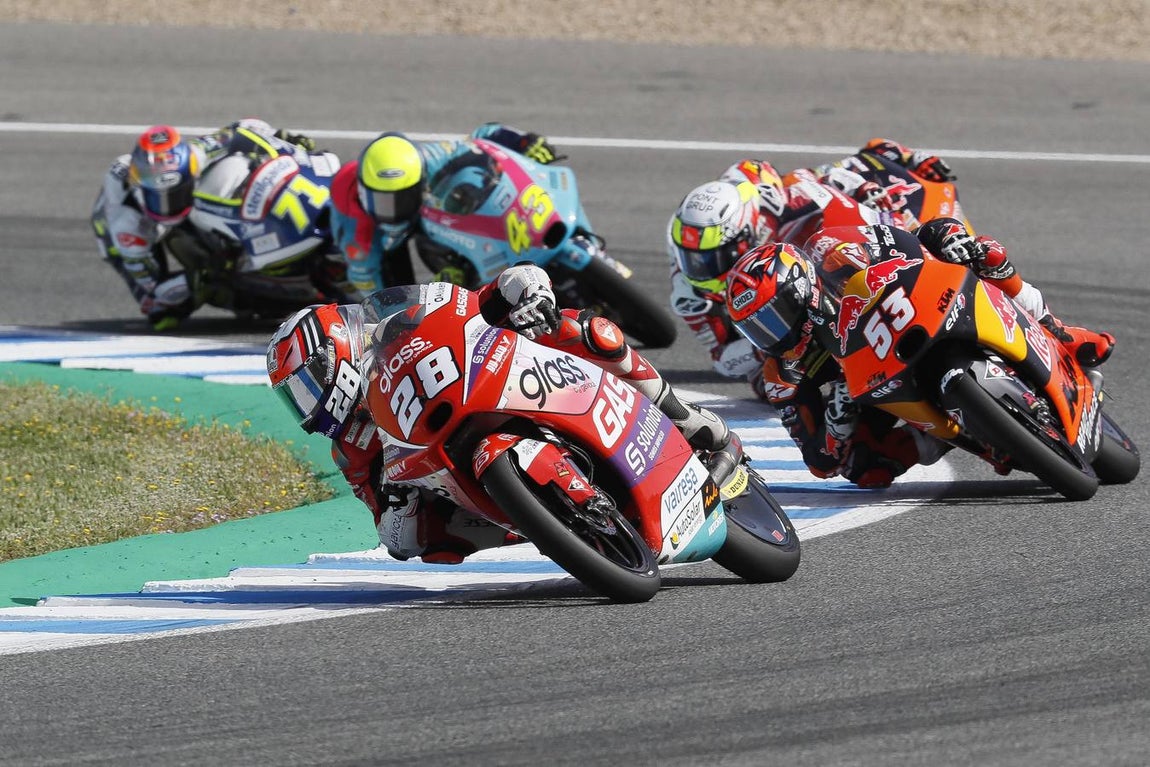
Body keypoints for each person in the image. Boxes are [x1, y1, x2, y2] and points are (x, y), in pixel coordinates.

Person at [266, 264, 731, 564]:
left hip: (502, 377)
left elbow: (483, 294)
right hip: (468, 484)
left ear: (338, 351)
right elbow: (392, 538)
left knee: (584, 330)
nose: (309, 405)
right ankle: (547, 522)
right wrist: (396, 502)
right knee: (426, 543)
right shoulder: (351, 447)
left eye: (308, 385)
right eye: (297, 398)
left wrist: (525, 292)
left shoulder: (400, 324)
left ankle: (681, 414)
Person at [720, 219, 1115, 488]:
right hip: (874, 388)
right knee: (863, 469)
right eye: (755, 328)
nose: (771, 336)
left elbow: (901, 239)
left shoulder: (832, 254)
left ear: (801, 289)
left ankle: (1060, 331)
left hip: (914, 309)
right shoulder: (781, 375)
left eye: (773, 318)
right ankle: (961, 437)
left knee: (958, 241)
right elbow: (819, 462)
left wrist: (946, 247)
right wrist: (838, 423)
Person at [666, 138, 956, 391]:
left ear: (748, 233)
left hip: (817, 257)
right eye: (691, 256)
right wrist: (768, 344)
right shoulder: (688, 284)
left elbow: (840, 188)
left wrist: (874, 201)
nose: (700, 268)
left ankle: (901, 164)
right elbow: (723, 360)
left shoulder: (792, 198)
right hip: (772, 325)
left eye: (713, 257)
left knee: (867, 185)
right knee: (766, 384)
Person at [91, 119, 318, 330]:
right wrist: (201, 277)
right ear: (141, 188)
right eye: (158, 196)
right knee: (162, 312)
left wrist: (280, 138)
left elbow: (244, 129)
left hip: (183, 205)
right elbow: (153, 291)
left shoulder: (196, 153)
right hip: (116, 237)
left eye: (174, 193)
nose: (166, 205)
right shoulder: (128, 225)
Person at [329, 124, 562, 300]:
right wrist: (429, 297)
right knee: (396, 303)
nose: (395, 209)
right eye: (384, 201)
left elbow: (482, 139)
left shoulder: (427, 160)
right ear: (363, 192)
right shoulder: (359, 234)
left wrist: (523, 142)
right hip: (376, 236)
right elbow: (374, 290)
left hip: (421, 209)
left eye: (404, 198)